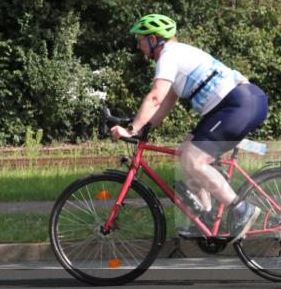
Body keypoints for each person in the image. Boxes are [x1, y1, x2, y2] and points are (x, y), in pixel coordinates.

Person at [109, 13, 268, 243]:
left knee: (193, 160)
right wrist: (145, 128)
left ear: (153, 39)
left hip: (237, 104)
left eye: (140, 39)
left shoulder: (169, 55)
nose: (138, 45)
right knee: (185, 152)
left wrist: (132, 129)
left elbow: (155, 97)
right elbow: (166, 102)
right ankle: (206, 217)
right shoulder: (177, 54)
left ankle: (242, 209)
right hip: (235, 103)